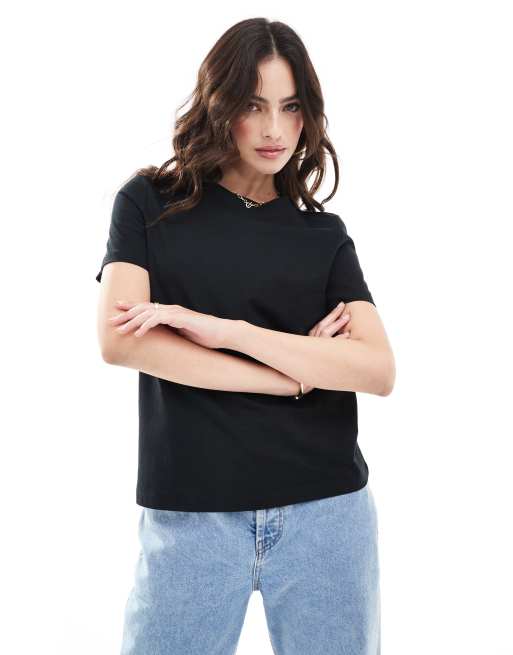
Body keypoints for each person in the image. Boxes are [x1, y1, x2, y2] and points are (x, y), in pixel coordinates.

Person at [95, 17, 395, 655]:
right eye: (253, 106)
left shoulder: (323, 235)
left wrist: (226, 332)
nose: (274, 130)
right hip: (192, 516)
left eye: (291, 107)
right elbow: (121, 341)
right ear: (219, 104)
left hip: (327, 513)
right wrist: (295, 375)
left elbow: (377, 370)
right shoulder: (150, 204)